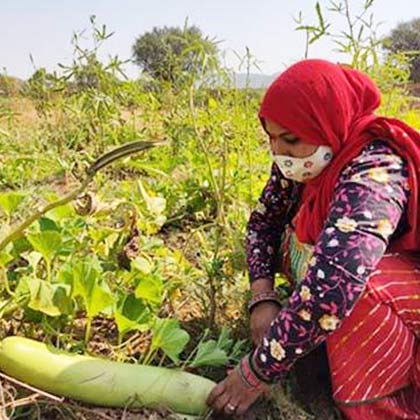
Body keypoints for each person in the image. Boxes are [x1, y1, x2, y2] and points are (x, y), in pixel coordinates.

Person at [206, 59, 420, 419]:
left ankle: (386, 405)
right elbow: (263, 224)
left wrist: (256, 372)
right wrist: (262, 297)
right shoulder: (305, 160)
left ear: (326, 123)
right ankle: (322, 345)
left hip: (398, 291)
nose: (279, 153)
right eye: (271, 138)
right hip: (345, 291)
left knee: (360, 285)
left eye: (290, 139)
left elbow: (336, 284)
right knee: (295, 241)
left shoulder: (376, 170)